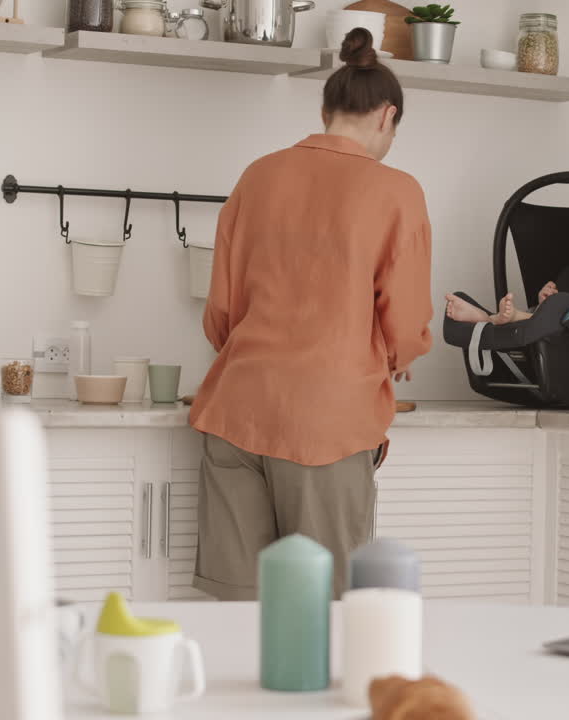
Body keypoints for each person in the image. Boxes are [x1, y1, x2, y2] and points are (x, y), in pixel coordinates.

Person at [188, 28, 432, 600]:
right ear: (386, 116)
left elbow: (221, 310)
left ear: (326, 110)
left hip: (237, 409)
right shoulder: (396, 191)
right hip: (326, 422)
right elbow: (404, 318)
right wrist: (401, 354)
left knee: (239, 607)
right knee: (328, 607)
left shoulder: (258, 175)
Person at [443, 263, 569, 358]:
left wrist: (558, 305)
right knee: (563, 306)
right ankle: (490, 319)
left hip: (568, 340)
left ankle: (495, 319)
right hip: (539, 333)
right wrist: (545, 305)